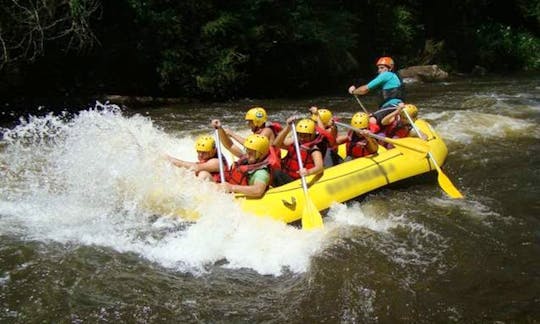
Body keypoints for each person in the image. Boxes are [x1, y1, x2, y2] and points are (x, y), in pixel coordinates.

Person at [212, 119, 273, 198]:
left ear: (260, 155)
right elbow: (229, 145)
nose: (247, 155)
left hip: (237, 195)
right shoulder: (249, 158)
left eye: (250, 153)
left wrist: (231, 187)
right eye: (247, 151)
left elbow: (258, 190)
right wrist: (220, 129)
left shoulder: (261, 173)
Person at [347, 56, 405, 133]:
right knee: (372, 116)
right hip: (393, 106)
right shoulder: (394, 77)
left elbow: (365, 89)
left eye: (382, 68)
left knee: (371, 120)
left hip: (391, 106)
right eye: (378, 68)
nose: (379, 71)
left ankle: (366, 140)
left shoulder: (386, 75)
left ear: (390, 68)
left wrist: (354, 91)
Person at [272, 117, 324, 186]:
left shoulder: (314, 150)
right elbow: (276, 144)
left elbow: (320, 167)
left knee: (277, 173)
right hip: (287, 175)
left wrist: (308, 172)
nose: (302, 138)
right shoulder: (295, 142)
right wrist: (287, 128)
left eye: (305, 136)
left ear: (313, 135)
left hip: (297, 181)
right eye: (300, 135)